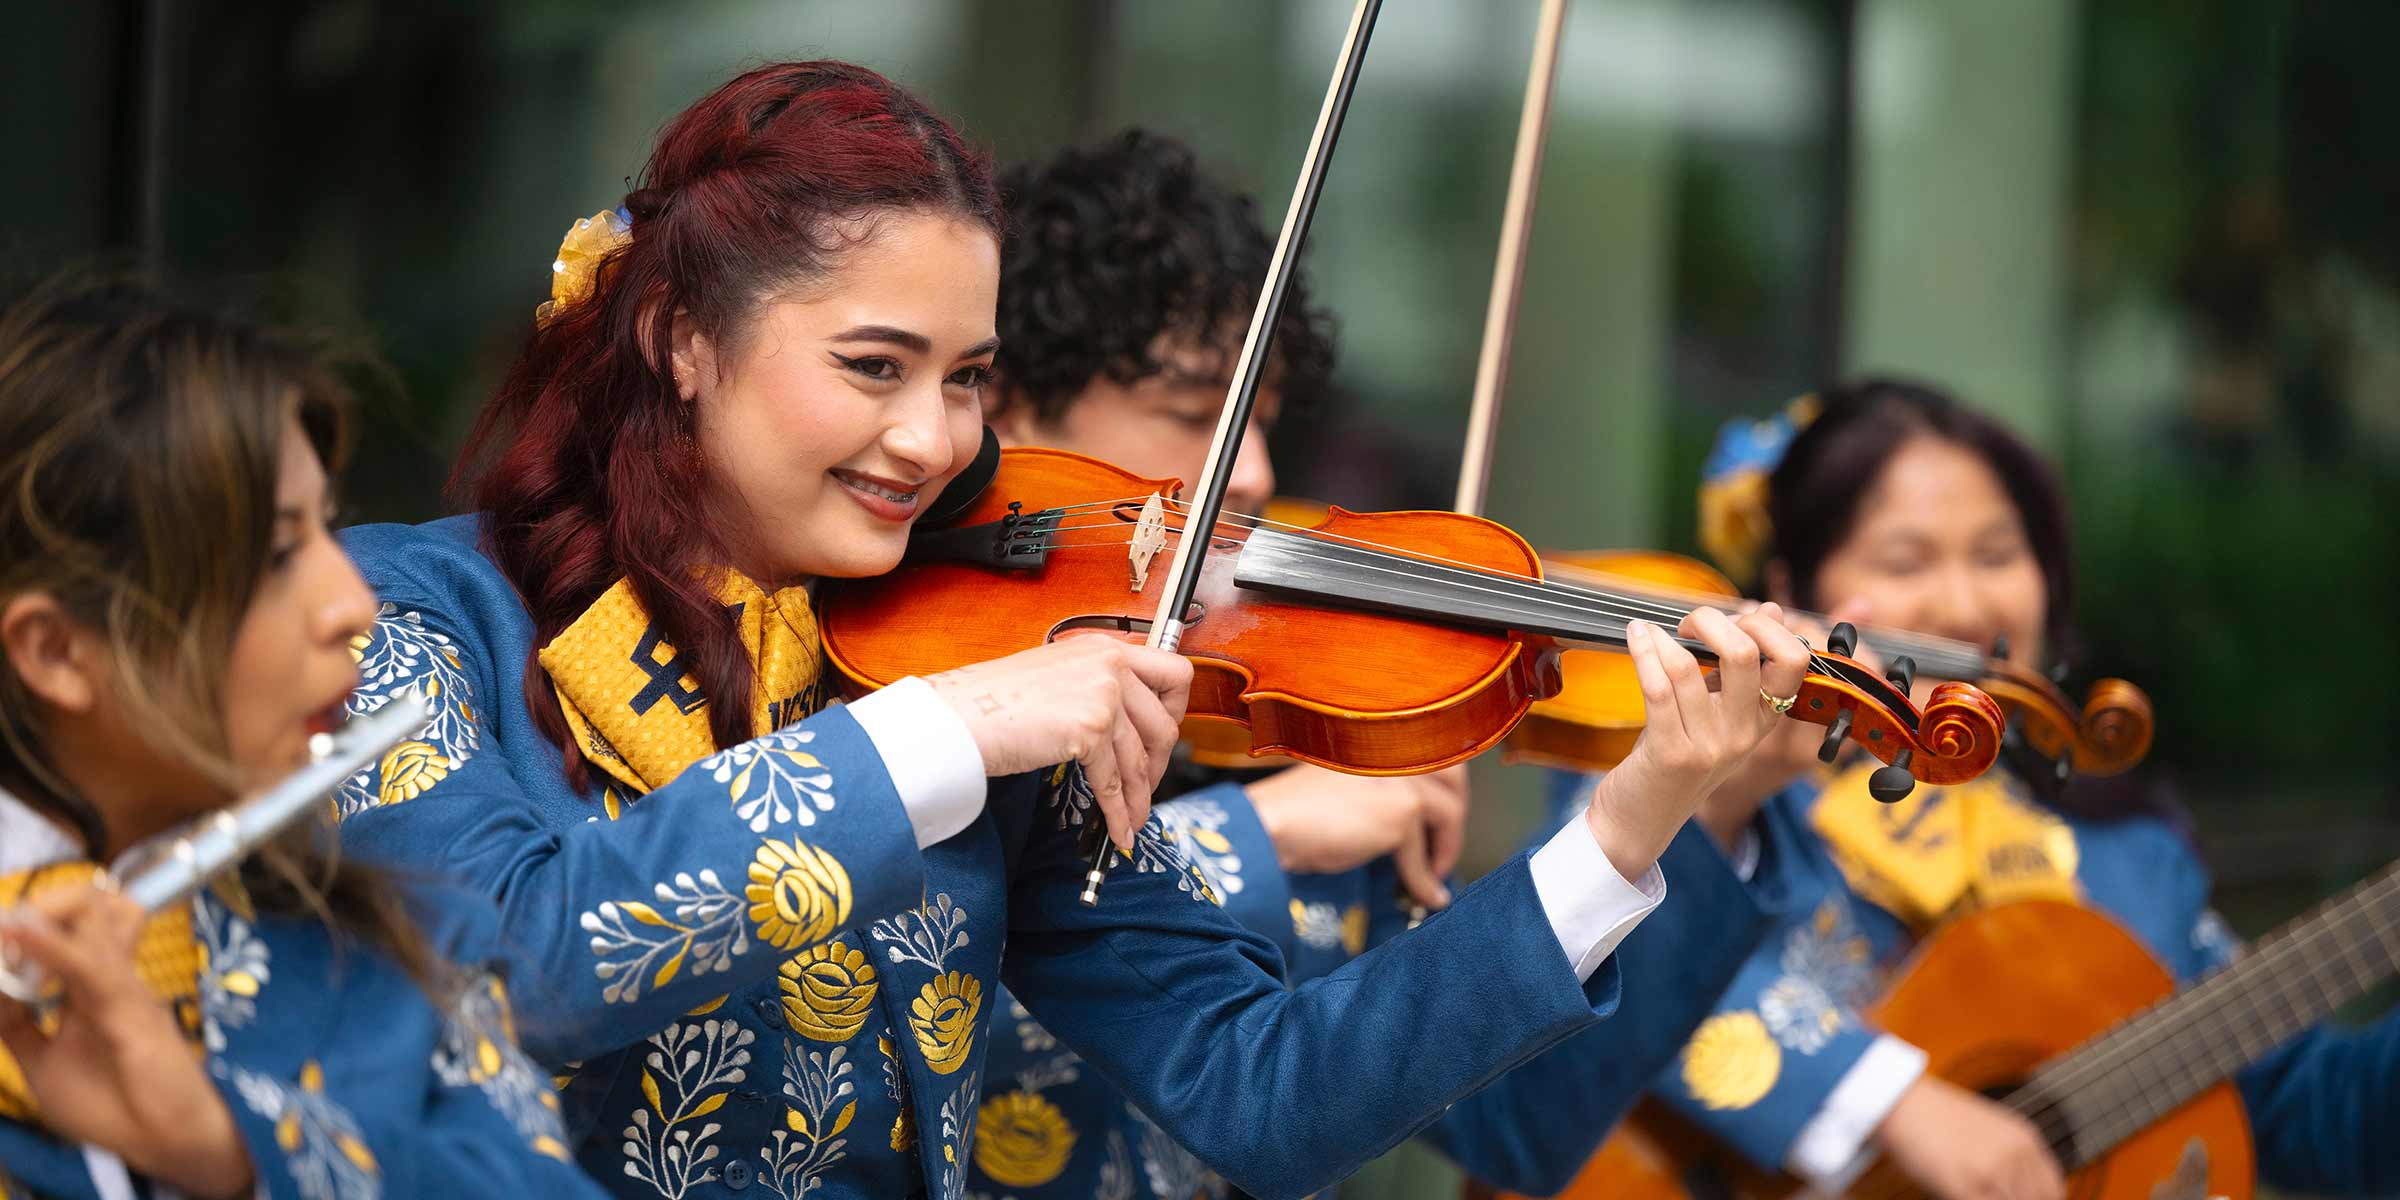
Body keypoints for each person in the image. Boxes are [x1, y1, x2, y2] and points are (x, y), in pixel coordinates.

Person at [330, 62, 1812, 1200]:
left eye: (967, 376)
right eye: (872, 365)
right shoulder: (417, 618)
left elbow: (1268, 1091)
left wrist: (1631, 821)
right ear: (681, 341)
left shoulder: (979, 665)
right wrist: (950, 730)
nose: (930, 437)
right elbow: (506, 971)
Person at [969, 129, 1779, 1198]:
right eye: (1194, 413)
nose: (1252, 470)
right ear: (1010, 406)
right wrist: (1264, 834)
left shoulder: (1297, 718)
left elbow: (1513, 1129)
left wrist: (1707, 804)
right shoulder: (899, 677)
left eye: (1260, 418)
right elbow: (901, 1016)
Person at [1598, 378, 2400, 1200]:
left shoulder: (2132, 862)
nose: (1964, 604)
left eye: (1996, 556)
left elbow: (2320, 1119)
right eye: (1906, 561)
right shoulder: (1698, 790)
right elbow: (1598, 960)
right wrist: (1889, 1101)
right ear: (1793, 590)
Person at [0, 274, 600, 1199]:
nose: (352, 601)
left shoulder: (397, 949)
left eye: (327, 530)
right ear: (56, 650)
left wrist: (233, 1153)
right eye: (279, 556)